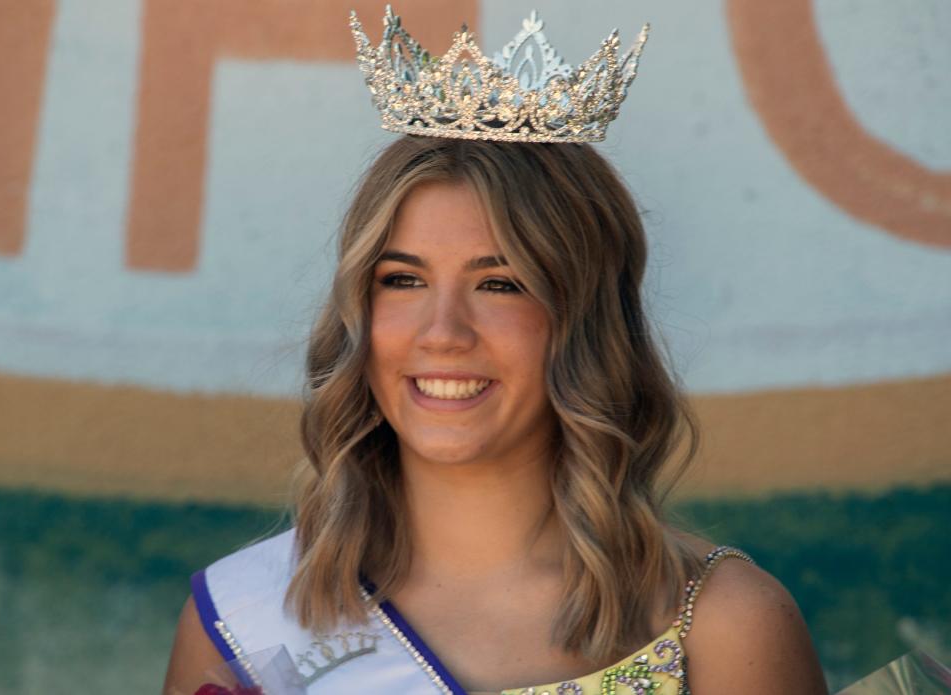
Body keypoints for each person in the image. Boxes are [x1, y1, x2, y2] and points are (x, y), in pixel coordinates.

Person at [164, 9, 829, 695]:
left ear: (586, 320)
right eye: (403, 280)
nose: (443, 331)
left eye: (500, 282)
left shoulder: (723, 626)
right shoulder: (243, 619)